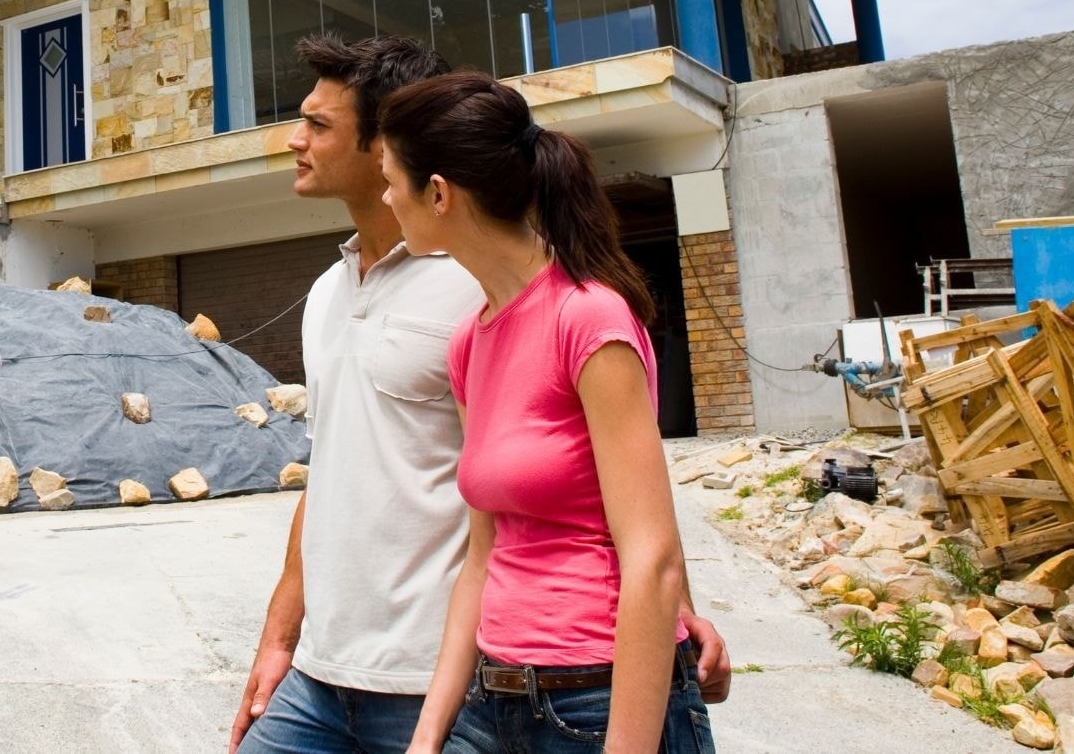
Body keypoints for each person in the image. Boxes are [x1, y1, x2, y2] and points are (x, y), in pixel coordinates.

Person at [231, 38, 726, 754]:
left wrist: (673, 615)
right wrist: (285, 637)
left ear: (413, 176)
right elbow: (462, 531)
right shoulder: (425, 320)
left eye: (319, 123)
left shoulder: (548, 306)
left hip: (540, 683)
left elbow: (636, 529)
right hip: (426, 682)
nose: (293, 139)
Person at [374, 73, 714, 754]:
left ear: (438, 193)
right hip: (495, 702)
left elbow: (652, 558)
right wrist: (427, 736)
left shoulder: (588, 318)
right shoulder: (470, 341)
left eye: (390, 180)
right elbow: (482, 554)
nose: (384, 197)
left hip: (594, 704)